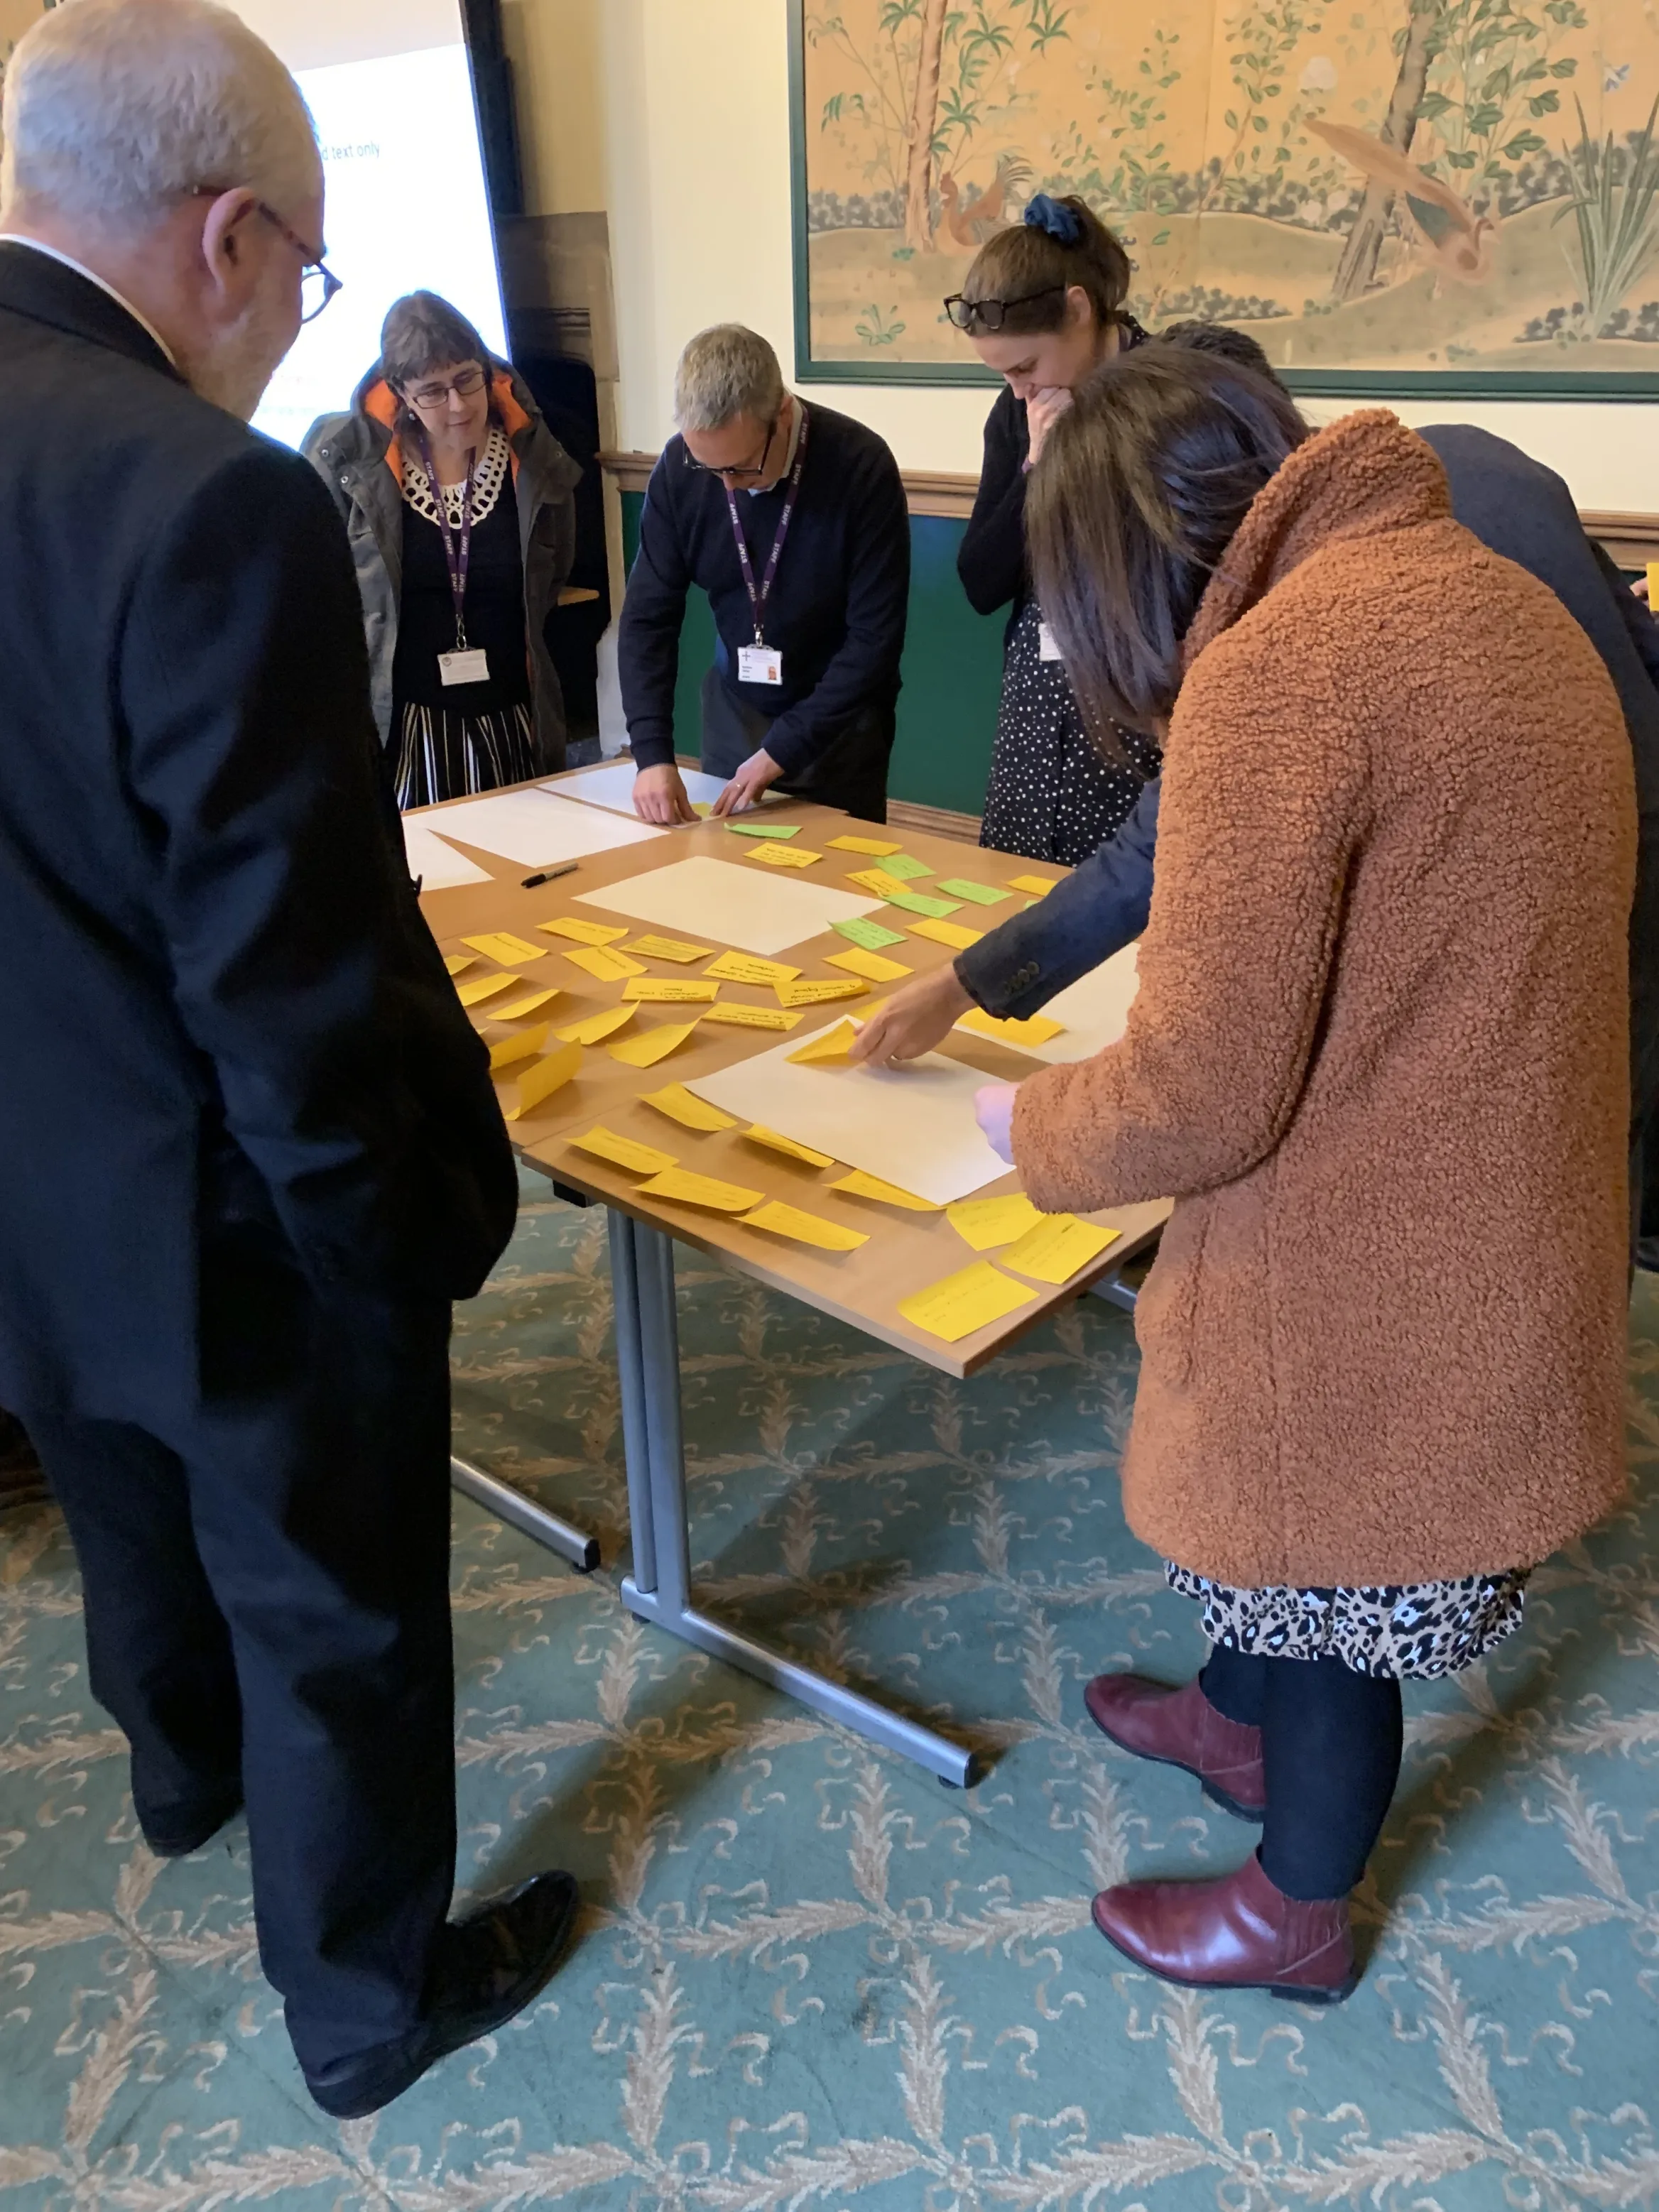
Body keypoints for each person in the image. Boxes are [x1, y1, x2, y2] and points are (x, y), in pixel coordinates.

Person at [0, 0, 576, 2118]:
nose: (289, 329)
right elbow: (292, 974)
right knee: (333, 1602)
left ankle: (176, 1786)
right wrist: (383, 1249)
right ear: (231, 234)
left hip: (22, 1178)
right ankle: (367, 2004)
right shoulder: (206, 498)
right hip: (229, 1205)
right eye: (311, 282)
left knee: (113, 1494)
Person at [962, 347, 1635, 1999]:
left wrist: (1030, 1126)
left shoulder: (1282, 670)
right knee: (1292, 1563)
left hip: (1378, 1275)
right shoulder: (1494, 598)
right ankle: (1230, 1705)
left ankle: (1295, 1910)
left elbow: (1197, 1092)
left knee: (1325, 1567)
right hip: (1509, 1212)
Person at [854, 320, 1659, 1273]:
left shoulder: (1302, 640)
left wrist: (1041, 1119)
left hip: (1601, 891)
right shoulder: (1426, 490)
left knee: (1514, 1200)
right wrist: (969, 982)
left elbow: (1204, 1085)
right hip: (1572, 869)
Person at [619, 322, 910, 824]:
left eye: (740, 468)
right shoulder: (679, 469)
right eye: (710, 470)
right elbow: (648, 618)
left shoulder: (860, 466)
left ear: (781, 413)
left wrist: (781, 750)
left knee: (833, 886)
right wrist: (653, 755)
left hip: (837, 722)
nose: (727, 488)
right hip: (735, 708)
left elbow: (873, 643)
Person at [304, 291, 581, 808]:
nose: (458, 405)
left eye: (466, 380)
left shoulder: (533, 454)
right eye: (432, 391)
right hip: (408, 725)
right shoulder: (349, 463)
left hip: (513, 717)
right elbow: (323, 597)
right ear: (401, 394)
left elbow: (554, 571)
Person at [950, 193, 1158, 863]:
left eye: (1025, 367)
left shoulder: (1174, 397)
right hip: (1038, 708)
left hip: (1137, 706)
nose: (1016, 389)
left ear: (1078, 309)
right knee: (1020, 905)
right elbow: (981, 583)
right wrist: (1036, 466)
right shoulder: (1018, 415)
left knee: (1124, 903)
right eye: (1002, 373)